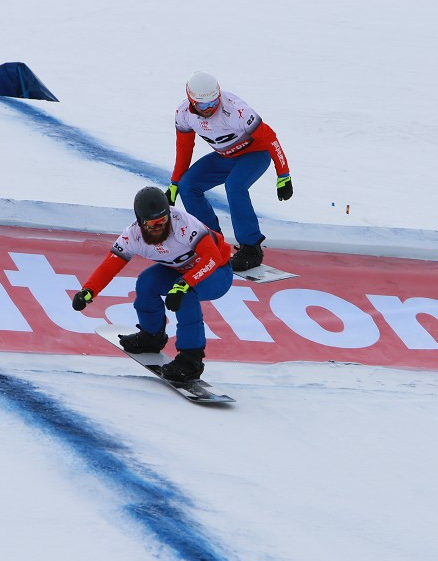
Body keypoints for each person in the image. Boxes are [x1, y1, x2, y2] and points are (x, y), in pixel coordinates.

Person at [71, 187, 234, 382]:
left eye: (162, 221)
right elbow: (110, 265)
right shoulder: (132, 236)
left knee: (186, 295)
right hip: (179, 271)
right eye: (151, 223)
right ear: (140, 222)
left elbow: (212, 257)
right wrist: (89, 290)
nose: (158, 227)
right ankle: (151, 336)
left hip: (217, 272)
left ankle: (191, 359)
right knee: (146, 283)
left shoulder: (183, 224)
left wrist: (184, 284)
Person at [165, 71, 292, 272]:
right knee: (188, 185)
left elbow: (270, 138)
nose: (209, 109)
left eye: (214, 102)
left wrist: (283, 175)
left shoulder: (236, 110)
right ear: (191, 101)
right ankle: (210, 240)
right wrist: (174, 182)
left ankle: (251, 248)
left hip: (255, 154)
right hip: (226, 157)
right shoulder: (184, 114)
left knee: (235, 186)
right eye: (203, 105)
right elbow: (184, 148)